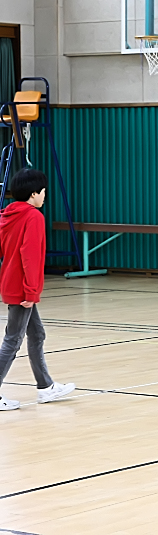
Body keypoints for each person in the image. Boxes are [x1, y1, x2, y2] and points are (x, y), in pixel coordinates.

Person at [0, 169, 75, 411]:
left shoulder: (7, 215)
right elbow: (29, 256)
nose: (45, 196)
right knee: (12, 341)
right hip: (22, 288)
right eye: (43, 192)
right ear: (33, 193)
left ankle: (45, 387)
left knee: (37, 334)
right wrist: (31, 292)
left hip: (12, 283)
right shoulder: (33, 217)